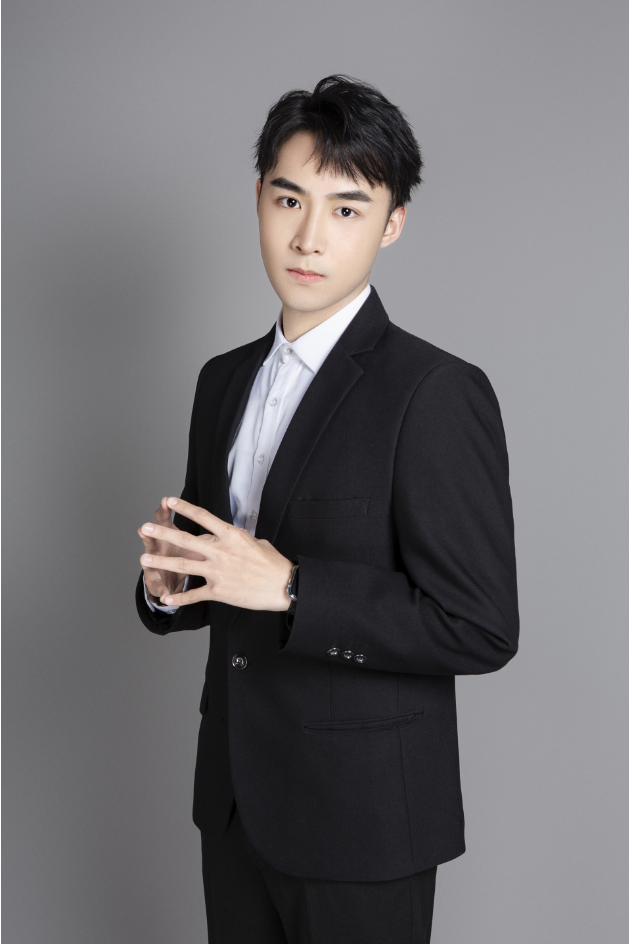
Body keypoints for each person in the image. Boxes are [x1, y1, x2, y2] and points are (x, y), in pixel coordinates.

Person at [135, 74, 519, 944]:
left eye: (347, 209)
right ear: (258, 201)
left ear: (392, 224)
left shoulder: (434, 392)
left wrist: (294, 590)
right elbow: (218, 573)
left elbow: (480, 626)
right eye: (288, 200)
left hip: (362, 821)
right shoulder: (221, 380)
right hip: (233, 806)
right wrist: (168, 588)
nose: (308, 237)